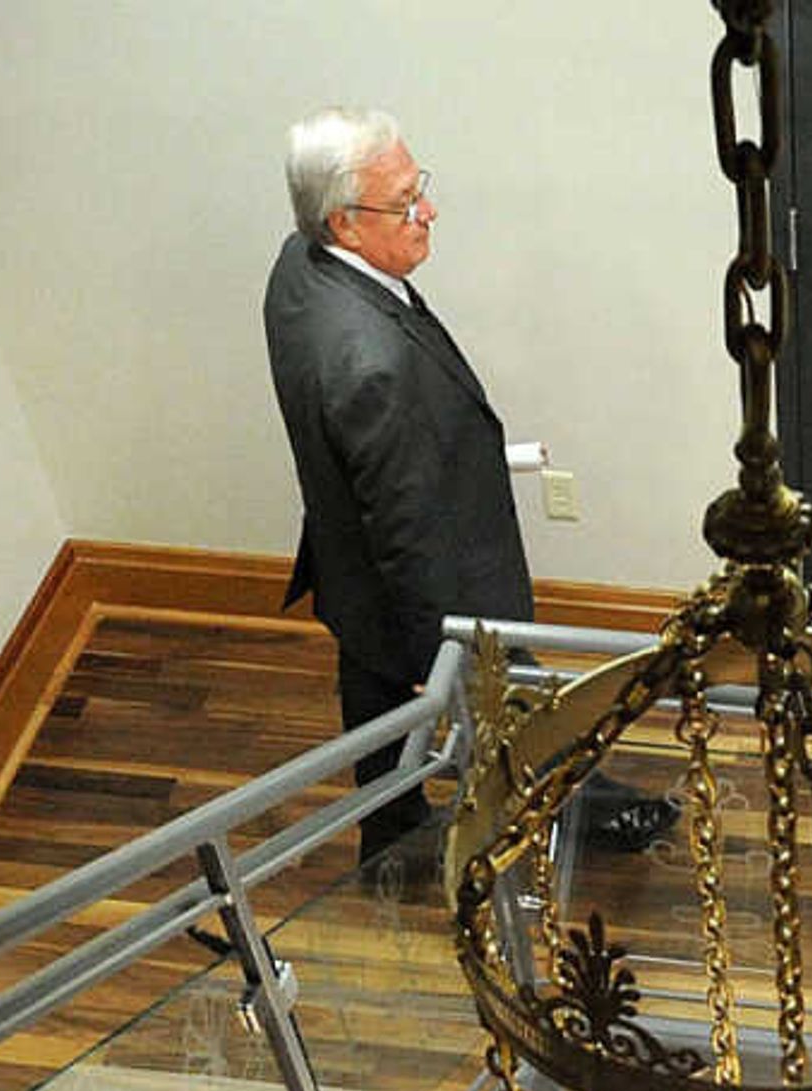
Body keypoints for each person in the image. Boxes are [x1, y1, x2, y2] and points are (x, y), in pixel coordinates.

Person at [262, 108, 672, 863]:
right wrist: (437, 659)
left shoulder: (299, 267)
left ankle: (388, 837)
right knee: (509, 698)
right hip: (437, 578)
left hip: (352, 565)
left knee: (373, 678)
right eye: (406, 201)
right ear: (345, 223)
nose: (429, 211)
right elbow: (407, 532)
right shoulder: (369, 363)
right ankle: (589, 814)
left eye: (422, 188)